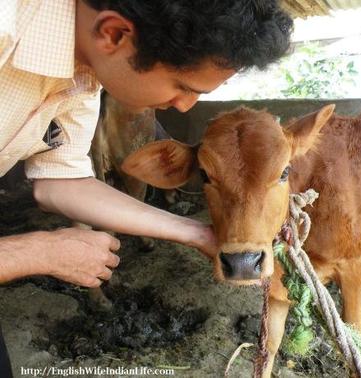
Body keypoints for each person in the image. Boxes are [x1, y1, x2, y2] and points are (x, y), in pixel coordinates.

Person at [0, 0, 293, 374]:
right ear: (115, 34)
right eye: (183, 86)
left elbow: (60, 181)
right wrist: (35, 252)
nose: (186, 107)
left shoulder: (85, 74)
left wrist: (195, 234)